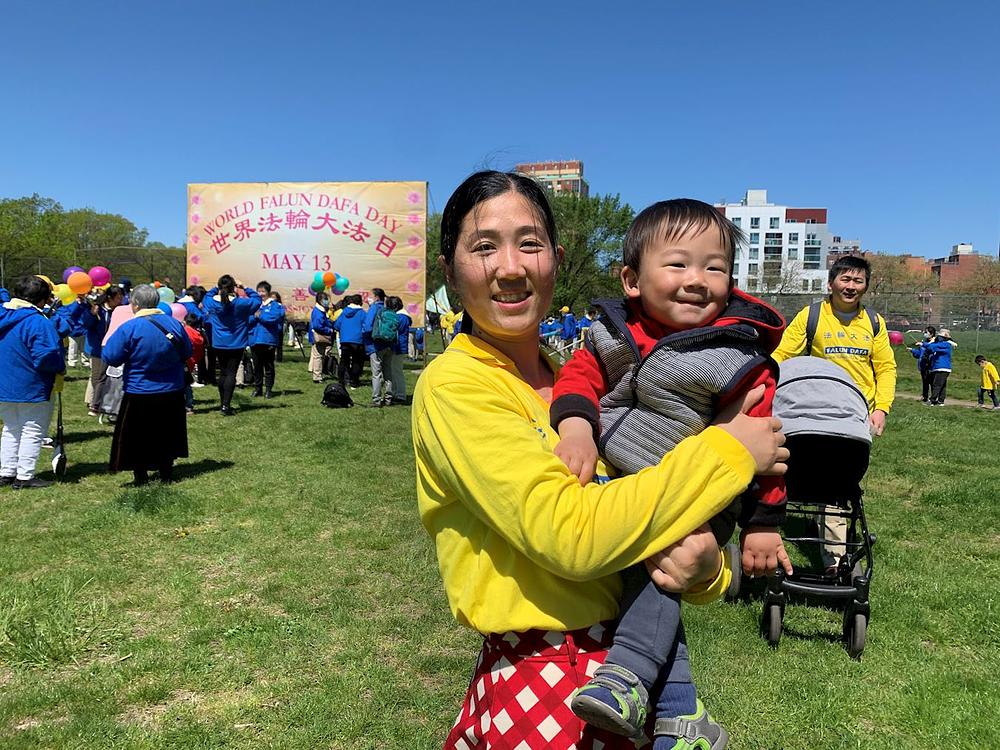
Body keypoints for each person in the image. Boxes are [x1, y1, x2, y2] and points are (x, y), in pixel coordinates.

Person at [413, 171, 788, 749]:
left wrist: (707, 570)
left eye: (529, 244)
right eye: (484, 247)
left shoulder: (575, 379)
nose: (510, 268)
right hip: (545, 677)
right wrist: (731, 448)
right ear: (449, 270)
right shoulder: (457, 385)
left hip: (636, 669)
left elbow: (647, 513)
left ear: (556, 260)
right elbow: (573, 537)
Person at [551, 199, 790, 747]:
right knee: (649, 570)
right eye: (678, 263)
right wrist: (577, 429)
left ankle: (627, 676)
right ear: (632, 280)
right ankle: (682, 713)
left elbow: (767, 442)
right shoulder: (612, 334)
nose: (698, 279)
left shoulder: (735, 357)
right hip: (631, 479)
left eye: (715, 267)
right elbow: (577, 380)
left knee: (665, 559)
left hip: (705, 493)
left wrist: (762, 523)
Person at [771, 255, 896, 572]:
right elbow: (783, 354)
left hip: (854, 413)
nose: (851, 286)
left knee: (838, 479)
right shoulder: (812, 316)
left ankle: (833, 553)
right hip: (812, 407)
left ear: (865, 286)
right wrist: (764, 381)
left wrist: (881, 408)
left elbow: (885, 368)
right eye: (845, 279)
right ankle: (824, 545)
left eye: (858, 281)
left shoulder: (874, 323)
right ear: (831, 283)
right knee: (814, 472)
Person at [103, 284, 191, 485]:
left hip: (140, 389)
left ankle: (140, 475)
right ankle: (166, 472)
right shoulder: (174, 324)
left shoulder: (130, 327)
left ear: (135, 304)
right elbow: (186, 351)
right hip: (171, 388)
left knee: (138, 436)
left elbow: (111, 356)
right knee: (167, 433)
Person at [0, 276, 65, 490]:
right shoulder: (38, 321)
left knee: (11, 427)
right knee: (32, 429)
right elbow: (47, 355)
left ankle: (7, 472)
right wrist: (59, 367)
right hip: (31, 384)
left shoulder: (3, 314)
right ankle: (25, 476)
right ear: (42, 299)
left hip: (4, 383)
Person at [202, 275, 261, 415]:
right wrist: (244, 287)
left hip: (219, 343)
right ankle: (226, 406)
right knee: (231, 373)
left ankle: (223, 403)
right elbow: (257, 300)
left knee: (223, 373)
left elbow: (206, 296)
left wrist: (216, 287)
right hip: (237, 343)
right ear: (233, 288)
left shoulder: (212, 302)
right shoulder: (240, 304)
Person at [80, 286, 124, 416]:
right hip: (97, 347)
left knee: (105, 375)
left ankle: (97, 401)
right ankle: (94, 402)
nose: (120, 300)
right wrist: (92, 315)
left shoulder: (119, 311)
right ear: (110, 298)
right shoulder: (98, 309)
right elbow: (86, 325)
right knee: (97, 375)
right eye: (118, 298)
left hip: (112, 346)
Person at [248, 281, 285, 398]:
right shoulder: (254, 305)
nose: (260, 294)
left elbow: (272, 318)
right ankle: (258, 388)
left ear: (268, 292)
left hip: (268, 340)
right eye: (259, 291)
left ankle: (268, 389)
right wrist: (255, 316)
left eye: (263, 291)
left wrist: (260, 315)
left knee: (268, 366)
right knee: (257, 366)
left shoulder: (275, 305)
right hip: (254, 339)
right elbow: (247, 319)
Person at [362, 287, 394, 406]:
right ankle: (389, 397)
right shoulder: (387, 307)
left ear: (376, 297)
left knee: (376, 373)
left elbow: (367, 326)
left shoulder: (374, 308)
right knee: (388, 372)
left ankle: (376, 399)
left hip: (375, 345)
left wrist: (364, 335)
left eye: (370, 295)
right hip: (389, 343)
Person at [334, 294, 365, 388]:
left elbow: (337, 325)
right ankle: (354, 382)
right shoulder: (362, 313)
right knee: (356, 361)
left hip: (345, 340)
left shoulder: (344, 312)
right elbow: (366, 326)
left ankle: (341, 381)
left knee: (343, 361)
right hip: (357, 340)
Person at [920, 328, 954, 406]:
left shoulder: (945, 344)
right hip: (940, 367)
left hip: (941, 367)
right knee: (942, 385)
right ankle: (941, 401)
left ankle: (932, 400)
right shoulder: (943, 345)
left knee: (937, 384)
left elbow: (931, 347)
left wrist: (924, 343)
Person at [308, 291, 335, 384]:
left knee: (319, 356)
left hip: (321, 336)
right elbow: (318, 326)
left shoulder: (322, 311)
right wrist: (329, 330)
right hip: (319, 336)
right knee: (318, 356)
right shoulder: (318, 312)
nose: (327, 301)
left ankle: (317, 373)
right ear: (320, 300)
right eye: (325, 299)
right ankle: (317, 376)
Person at [387, 296, 409, 404]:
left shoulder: (401, 317)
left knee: (397, 371)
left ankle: (400, 395)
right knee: (394, 371)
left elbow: (396, 330)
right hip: (398, 346)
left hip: (398, 346)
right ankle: (396, 393)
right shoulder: (403, 316)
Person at [182, 313, 205, 414]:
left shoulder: (184, 332)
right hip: (192, 361)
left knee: (183, 384)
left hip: (183, 361)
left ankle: (187, 405)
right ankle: (188, 405)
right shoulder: (198, 336)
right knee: (187, 383)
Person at [910, 326, 936, 402]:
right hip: (923, 365)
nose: (924, 334)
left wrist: (923, 345)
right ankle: (925, 397)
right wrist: (913, 350)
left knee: (932, 382)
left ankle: (934, 397)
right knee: (925, 382)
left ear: (931, 334)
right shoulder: (924, 342)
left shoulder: (934, 343)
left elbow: (932, 351)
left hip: (931, 366)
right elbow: (919, 354)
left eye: (926, 332)